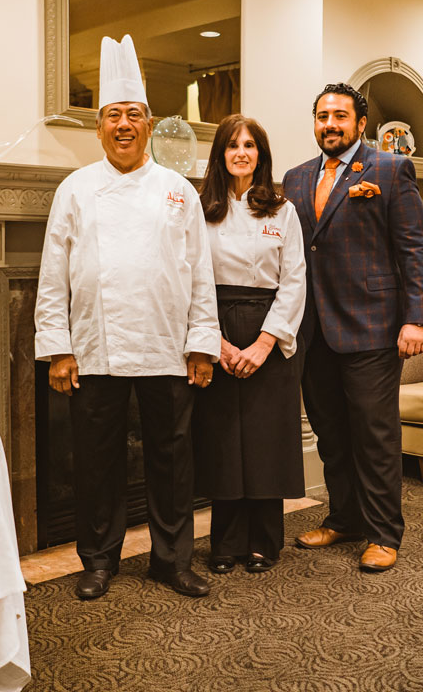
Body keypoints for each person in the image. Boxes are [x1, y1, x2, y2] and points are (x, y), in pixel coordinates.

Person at [34, 34, 221, 600]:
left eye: (133, 115)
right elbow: (52, 275)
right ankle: (98, 560)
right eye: (112, 115)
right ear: (99, 128)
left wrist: (203, 342)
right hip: (95, 347)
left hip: (166, 346)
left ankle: (171, 560)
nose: (122, 125)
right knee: (97, 462)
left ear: (149, 123)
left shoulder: (176, 190)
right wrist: (58, 346)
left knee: (172, 461)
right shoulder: (75, 189)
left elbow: (199, 272)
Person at [281, 82, 423, 572]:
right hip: (313, 330)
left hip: (372, 326)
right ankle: (345, 517)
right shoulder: (295, 178)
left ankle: (385, 532)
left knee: (374, 435)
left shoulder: (390, 170)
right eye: (322, 116)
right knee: (331, 435)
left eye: (340, 117)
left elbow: (415, 248)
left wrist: (416, 318)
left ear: (360, 124)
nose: (330, 124)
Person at [192, 114, 306, 574]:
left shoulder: (283, 210)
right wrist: (212, 340)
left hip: (268, 329)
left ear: (261, 155)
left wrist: (263, 343)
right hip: (213, 322)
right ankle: (225, 542)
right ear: (220, 155)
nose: (241, 152)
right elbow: (190, 277)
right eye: (232, 145)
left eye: (250, 145)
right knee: (222, 437)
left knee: (264, 438)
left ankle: (264, 541)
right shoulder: (200, 210)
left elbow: (294, 281)